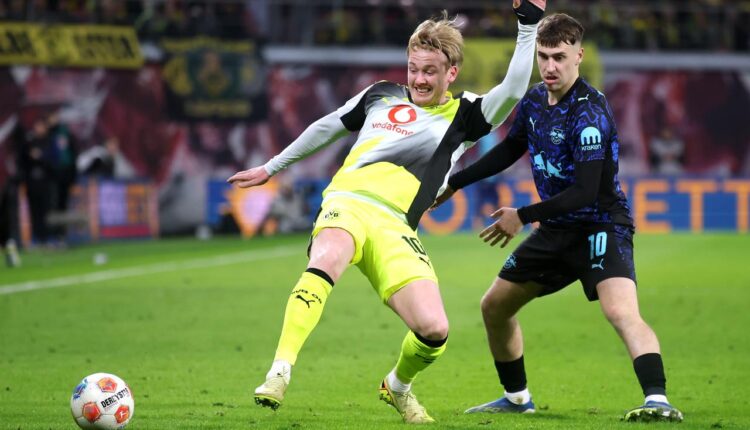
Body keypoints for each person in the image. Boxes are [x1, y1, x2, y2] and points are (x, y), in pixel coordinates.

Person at [228, 0, 547, 423]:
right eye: (413, 69)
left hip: (397, 226)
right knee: (327, 257)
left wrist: (528, 26)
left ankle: (397, 386)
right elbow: (328, 126)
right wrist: (271, 168)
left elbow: (512, 89)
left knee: (434, 330)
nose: (419, 79)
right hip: (347, 202)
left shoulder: (466, 115)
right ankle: (279, 371)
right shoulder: (380, 94)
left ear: (451, 73)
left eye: (430, 71)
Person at [432, 13, 683, 423]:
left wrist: (522, 215)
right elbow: (511, 148)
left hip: (601, 226)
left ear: (578, 56)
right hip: (555, 231)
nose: (550, 67)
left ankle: (658, 400)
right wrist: (456, 182)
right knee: (494, 306)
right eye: (544, 57)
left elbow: (585, 192)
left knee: (620, 312)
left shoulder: (589, 113)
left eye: (559, 57)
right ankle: (517, 398)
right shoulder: (534, 100)